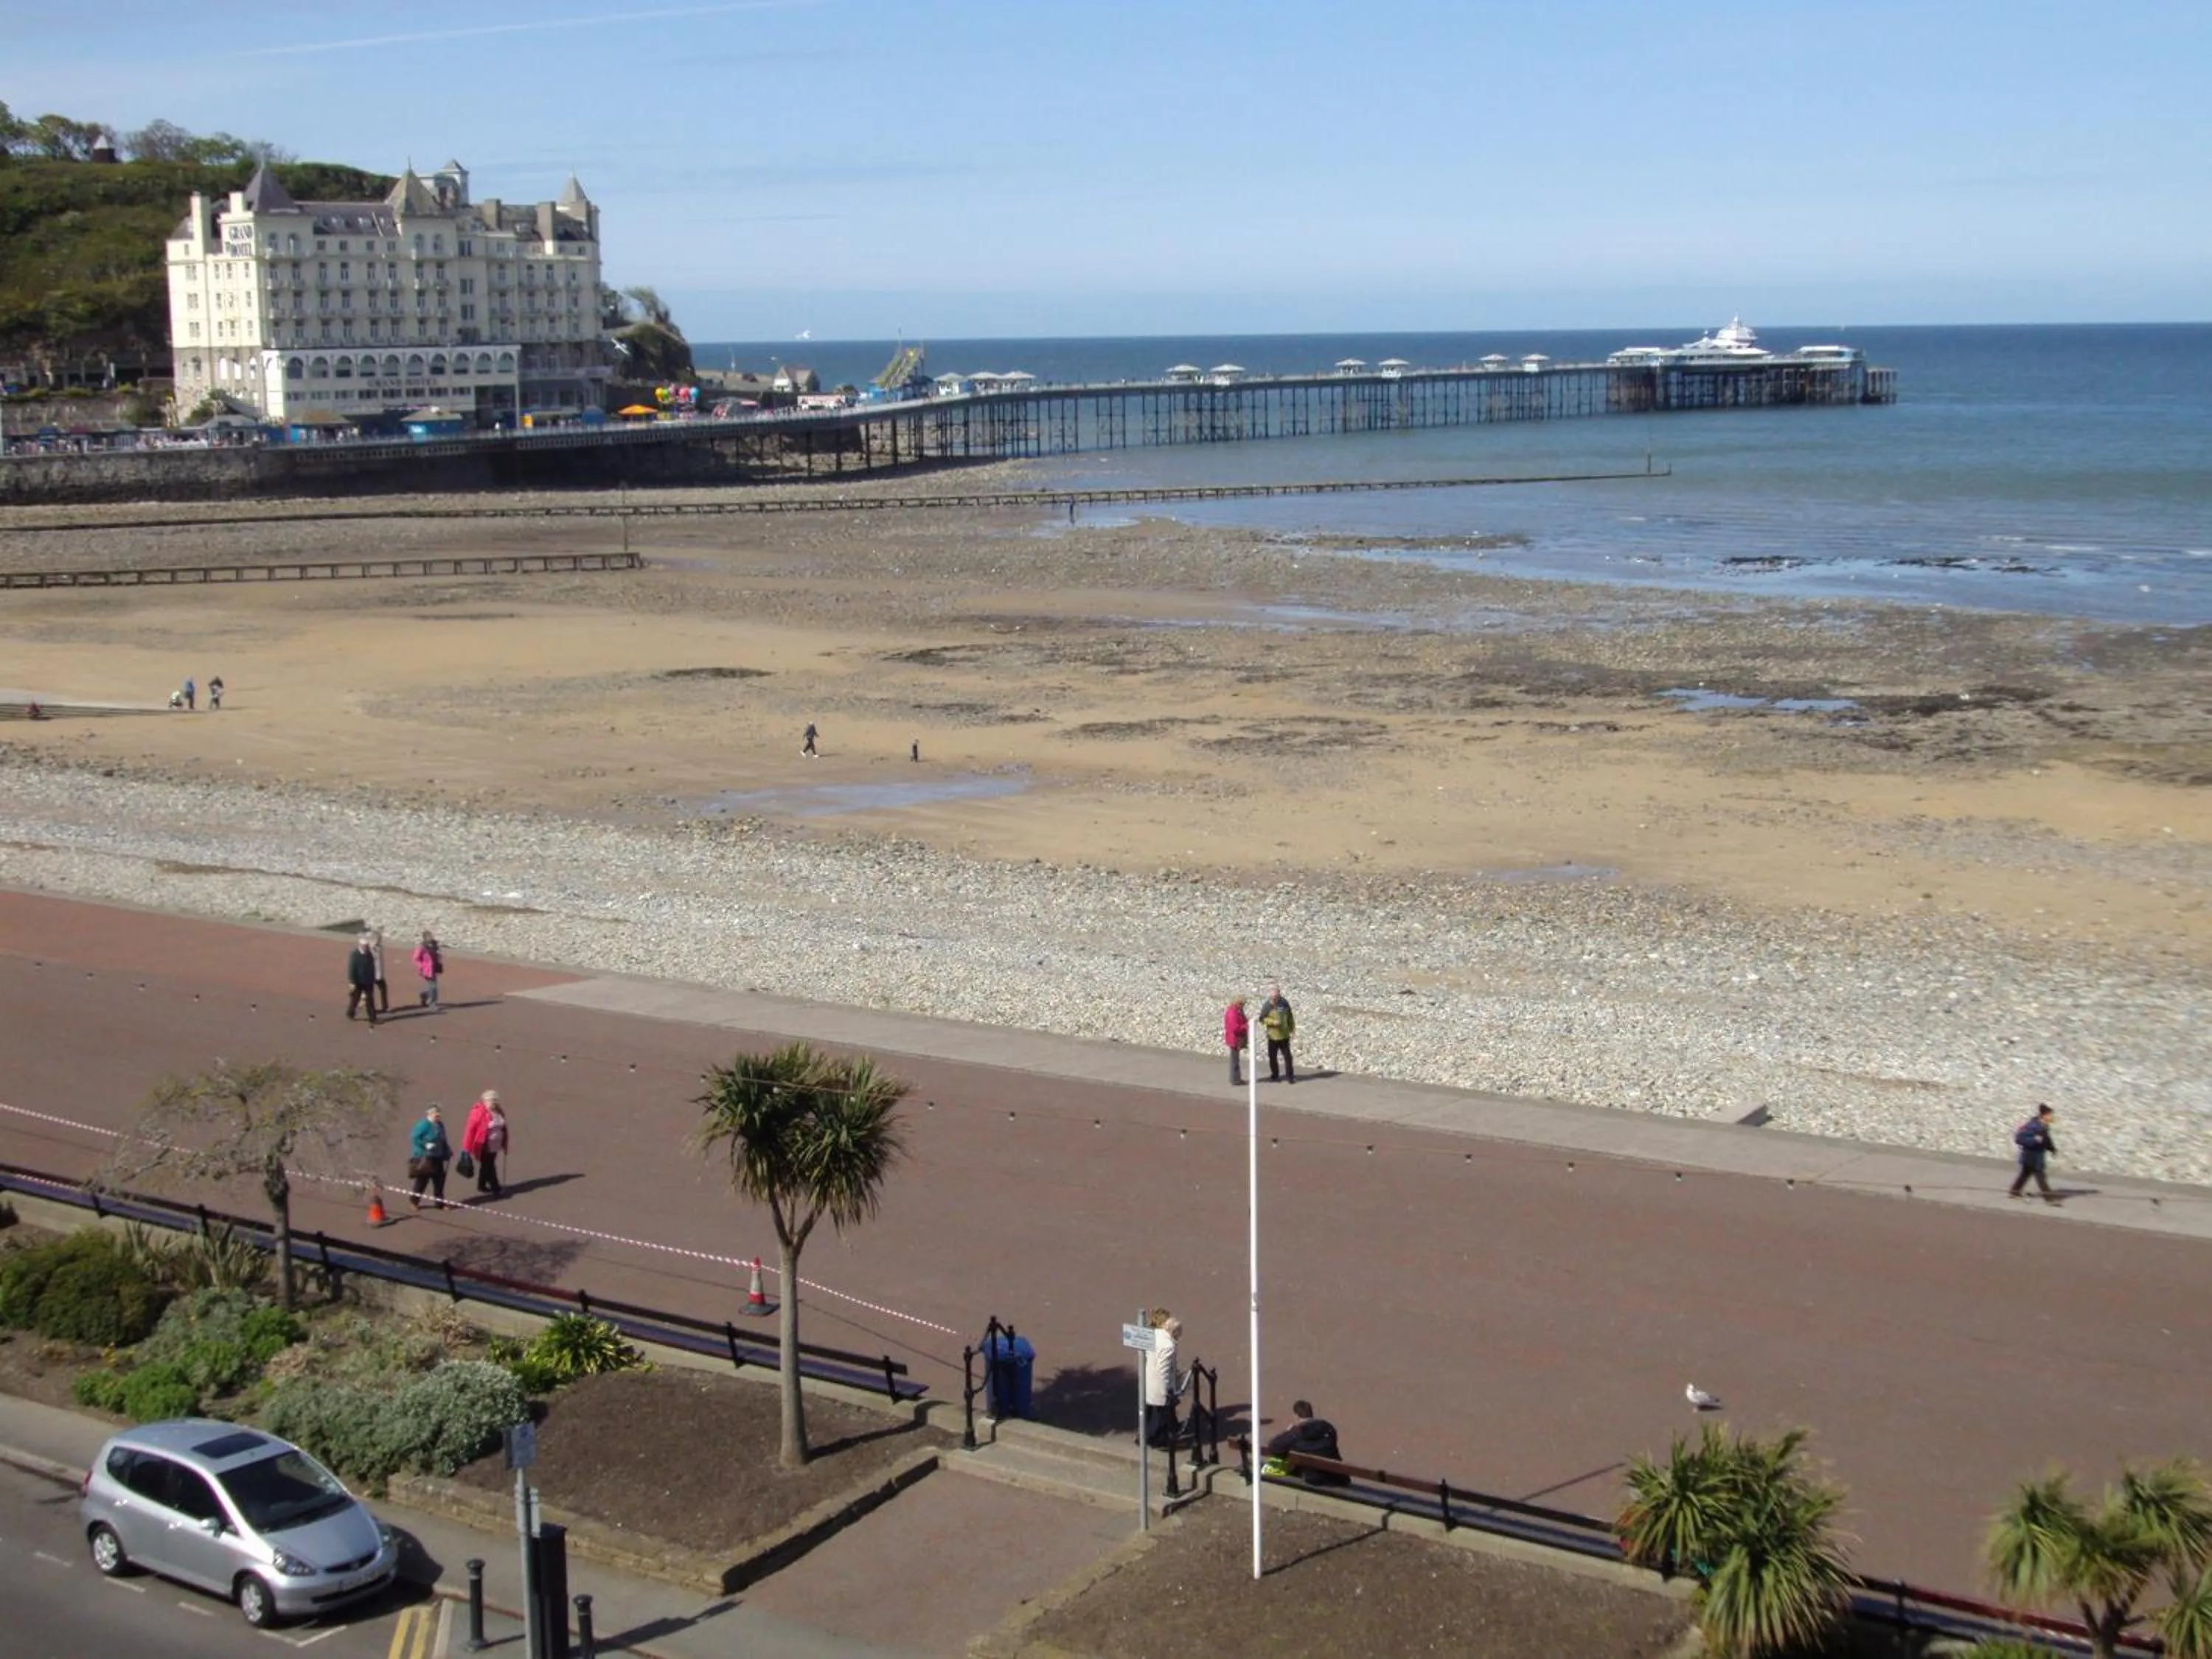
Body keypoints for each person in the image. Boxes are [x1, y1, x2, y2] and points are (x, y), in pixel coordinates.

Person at [1264, 1399, 1351, 1486]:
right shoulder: (1328, 1428)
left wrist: (1288, 1432)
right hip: (1338, 1477)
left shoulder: (1299, 1431)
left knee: (1284, 1458)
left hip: (1315, 1478)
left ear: (1296, 1416)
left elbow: (1274, 1445)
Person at [1142, 1307, 1191, 1448]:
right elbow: (1163, 1371)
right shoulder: (1168, 1346)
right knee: (1161, 1416)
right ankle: (1158, 1441)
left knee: (1153, 1413)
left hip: (1150, 1381)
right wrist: (1167, 1393)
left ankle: (1161, 1432)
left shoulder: (1153, 1336)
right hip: (1160, 1387)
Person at [461, 1090, 507, 1200]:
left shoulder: (498, 1110)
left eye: (495, 1100)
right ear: (485, 1101)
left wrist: (504, 1143)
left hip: (495, 1145)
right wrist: (466, 1148)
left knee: (487, 1165)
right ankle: (496, 1189)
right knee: (490, 1166)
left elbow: (503, 1127)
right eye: (492, 1100)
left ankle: (481, 1185)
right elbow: (470, 1131)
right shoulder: (478, 1112)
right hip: (483, 1145)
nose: (494, 1102)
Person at [2008, 1104, 2060, 1202]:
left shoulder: (2044, 1126)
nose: (2052, 1117)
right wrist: (2034, 1140)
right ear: (2044, 1115)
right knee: (2040, 1176)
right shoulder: (2032, 1126)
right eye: (2050, 1115)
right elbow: (2019, 1138)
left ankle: (2014, 1192)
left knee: (2025, 1174)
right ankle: (2049, 1198)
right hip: (2030, 1156)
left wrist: (2052, 1149)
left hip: (2037, 1156)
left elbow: (2046, 1140)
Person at [407, 1105, 451, 1211]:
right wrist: (425, 1145)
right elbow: (414, 1138)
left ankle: (440, 1203)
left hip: (438, 1157)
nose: (438, 1115)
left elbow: (443, 1139)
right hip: (425, 1158)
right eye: (436, 1113)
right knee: (422, 1181)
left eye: (439, 1113)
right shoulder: (424, 1125)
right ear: (429, 1114)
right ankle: (414, 1202)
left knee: (439, 1182)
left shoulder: (440, 1125)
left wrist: (447, 1150)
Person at [1259, 983, 1296, 1084]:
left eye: (1277, 996)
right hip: (1273, 1035)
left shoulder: (1284, 1003)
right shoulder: (1267, 1005)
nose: (1275, 998)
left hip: (1284, 1035)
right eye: (1273, 997)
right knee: (1272, 1057)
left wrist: (1292, 1028)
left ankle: (1290, 1076)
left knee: (1288, 1057)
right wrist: (1272, 1022)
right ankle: (1275, 1075)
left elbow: (1290, 1016)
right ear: (1270, 995)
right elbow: (1262, 1019)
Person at [345, 933, 379, 1025]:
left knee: (370, 1000)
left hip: (368, 981)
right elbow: (352, 969)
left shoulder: (369, 955)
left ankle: (373, 1018)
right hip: (358, 981)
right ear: (360, 945)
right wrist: (352, 982)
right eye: (364, 946)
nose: (366, 947)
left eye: (367, 946)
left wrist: (373, 979)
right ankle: (350, 1013)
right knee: (355, 999)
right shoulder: (355, 955)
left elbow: (372, 967)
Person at [412, 929, 444, 1010]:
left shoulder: (435, 945)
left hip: (434, 968)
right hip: (426, 970)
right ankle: (432, 1004)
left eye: (432, 936)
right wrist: (421, 967)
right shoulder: (422, 947)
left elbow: (438, 955)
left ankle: (424, 995)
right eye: (429, 936)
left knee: (432, 987)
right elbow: (416, 958)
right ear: (425, 938)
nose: (432, 937)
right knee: (434, 987)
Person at [1223, 996, 1251, 1087]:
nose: (1243, 1006)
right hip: (1234, 1039)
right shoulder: (1233, 1013)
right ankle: (1235, 1079)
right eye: (1242, 1004)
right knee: (1234, 1060)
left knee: (1235, 1059)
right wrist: (1245, 1026)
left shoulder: (1237, 1011)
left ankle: (1236, 1078)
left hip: (1235, 1038)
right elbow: (1235, 1028)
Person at [368, 926, 389, 1015]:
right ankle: (371, 1008)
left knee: (383, 989)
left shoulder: (379, 947)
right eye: (379, 939)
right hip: (373, 974)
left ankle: (384, 1006)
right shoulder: (372, 949)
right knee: (370, 991)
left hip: (379, 973)